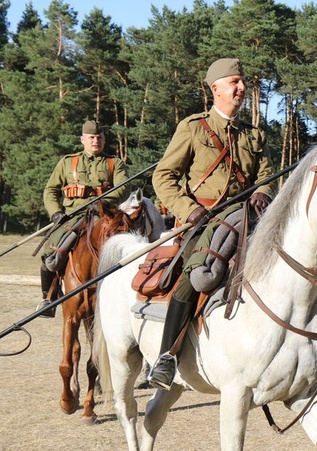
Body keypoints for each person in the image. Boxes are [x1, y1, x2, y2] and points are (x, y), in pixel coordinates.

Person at [148, 57, 276, 390]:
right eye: (234, 82)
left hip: (248, 219)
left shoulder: (254, 135)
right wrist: (188, 210)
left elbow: (266, 175)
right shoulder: (192, 128)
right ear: (215, 88)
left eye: (243, 81)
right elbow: (163, 176)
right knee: (197, 276)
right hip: (203, 222)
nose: (242, 87)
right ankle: (167, 357)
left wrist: (263, 193)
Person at [38, 120, 129, 317]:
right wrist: (55, 213)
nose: (95, 141)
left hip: (104, 215)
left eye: (99, 137)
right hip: (73, 216)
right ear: (82, 140)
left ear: (104, 140)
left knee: (127, 250)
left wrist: (101, 201)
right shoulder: (67, 162)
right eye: (91, 138)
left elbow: (124, 187)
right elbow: (50, 190)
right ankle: (49, 298)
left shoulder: (115, 163)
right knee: (51, 252)